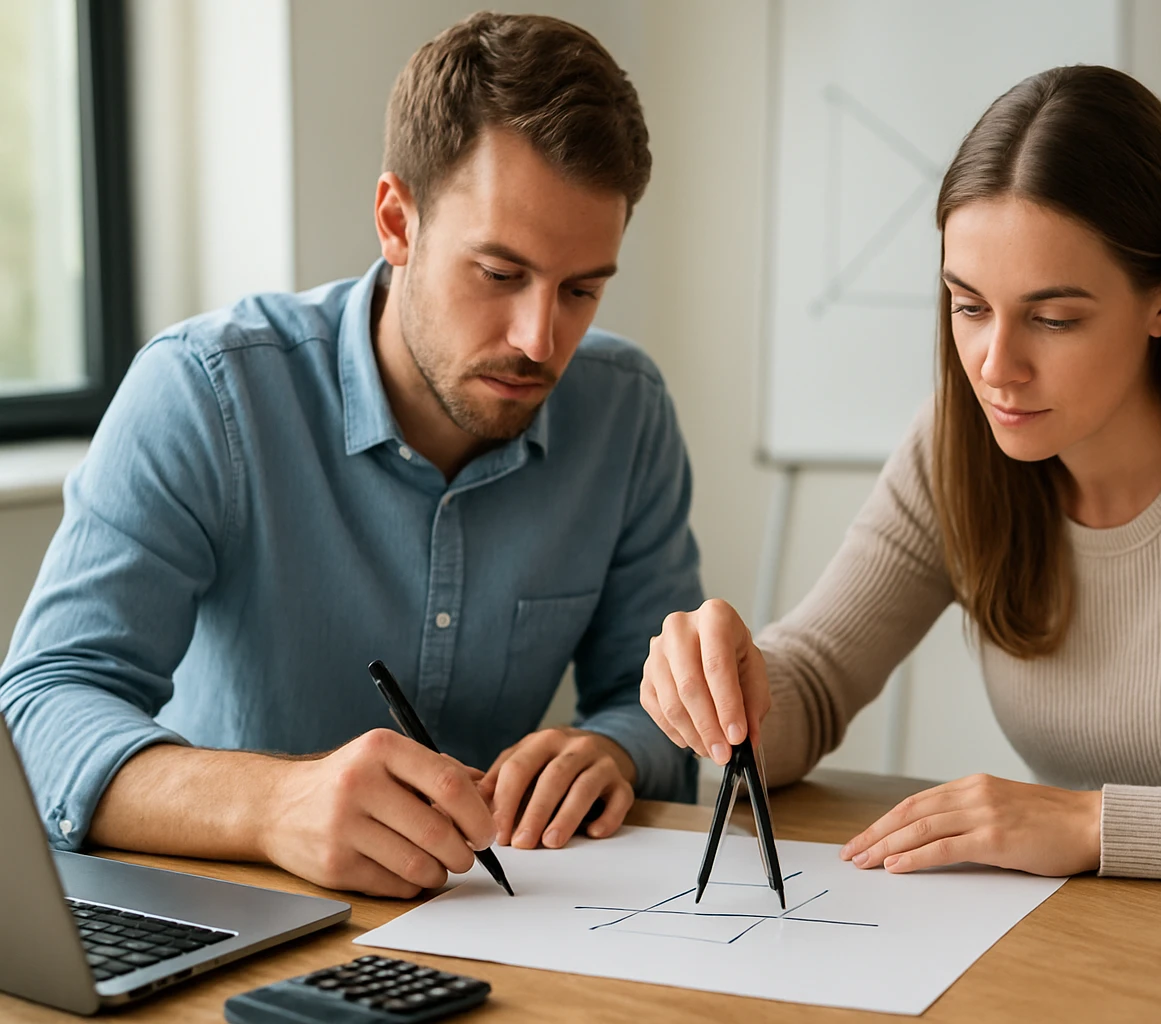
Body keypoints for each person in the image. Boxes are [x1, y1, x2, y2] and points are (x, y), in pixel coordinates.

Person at [641, 65, 1161, 898]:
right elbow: (818, 682)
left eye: (1053, 318)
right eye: (968, 306)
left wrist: (1092, 826)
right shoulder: (955, 444)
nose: (995, 366)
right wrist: (735, 690)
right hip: (1095, 948)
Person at [0, 13, 700, 899]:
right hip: (232, 911)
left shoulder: (625, 412)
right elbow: (39, 708)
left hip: (498, 924)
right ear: (397, 221)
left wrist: (615, 750)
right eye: (498, 273)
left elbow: (659, 704)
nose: (538, 339)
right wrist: (271, 803)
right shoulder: (205, 392)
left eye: (582, 289)